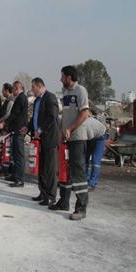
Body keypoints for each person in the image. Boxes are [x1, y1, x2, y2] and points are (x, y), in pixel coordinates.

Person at [49, 66, 90, 221]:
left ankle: (81, 208)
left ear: (69, 77)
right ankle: (63, 201)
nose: (60, 79)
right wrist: (61, 133)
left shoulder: (81, 90)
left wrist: (71, 129)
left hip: (78, 138)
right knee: (65, 170)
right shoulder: (65, 93)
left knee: (78, 172)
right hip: (67, 138)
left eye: (62, 76)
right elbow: (65, 115)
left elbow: (84, 113)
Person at [26, 78, 59, 205]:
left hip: (49, 138)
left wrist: (40, 130)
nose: (32, 90)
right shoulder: (37, 101)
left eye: (33, 87)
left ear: (40, 86)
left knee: (50, 168)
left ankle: (51, 196)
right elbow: (35, 118)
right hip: (39, 138)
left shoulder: (50, 98)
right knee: (42, 167)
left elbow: (52, 117)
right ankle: (43, 193)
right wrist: (28, 127)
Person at [0, 81, 28, 187]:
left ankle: (20, 179)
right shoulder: (19, 98)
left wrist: (5, 123)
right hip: (15, 130)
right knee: (15, 155)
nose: (13, 91)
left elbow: (14, 114)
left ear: (16, 88)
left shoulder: (21, 98)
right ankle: (15, 175)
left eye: (14, 88)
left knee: (19, 156)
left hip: (19, 130)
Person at [0, 83, 15, 176]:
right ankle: (3, 168)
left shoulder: (10, 101)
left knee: (5, 150)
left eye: (3, 90)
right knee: (1, 149)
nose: (2, 92)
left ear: (7, 90)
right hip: (3, 128)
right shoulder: (7, 101)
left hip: (6, 129)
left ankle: (5, 169)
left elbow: (7, 115)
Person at [85, 116, 107, 191]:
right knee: (85, 158)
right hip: (91, 135)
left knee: (95, 161)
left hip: (100, 136)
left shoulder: (85, 125)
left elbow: (89, 136)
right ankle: (85, 181)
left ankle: (92, 183)